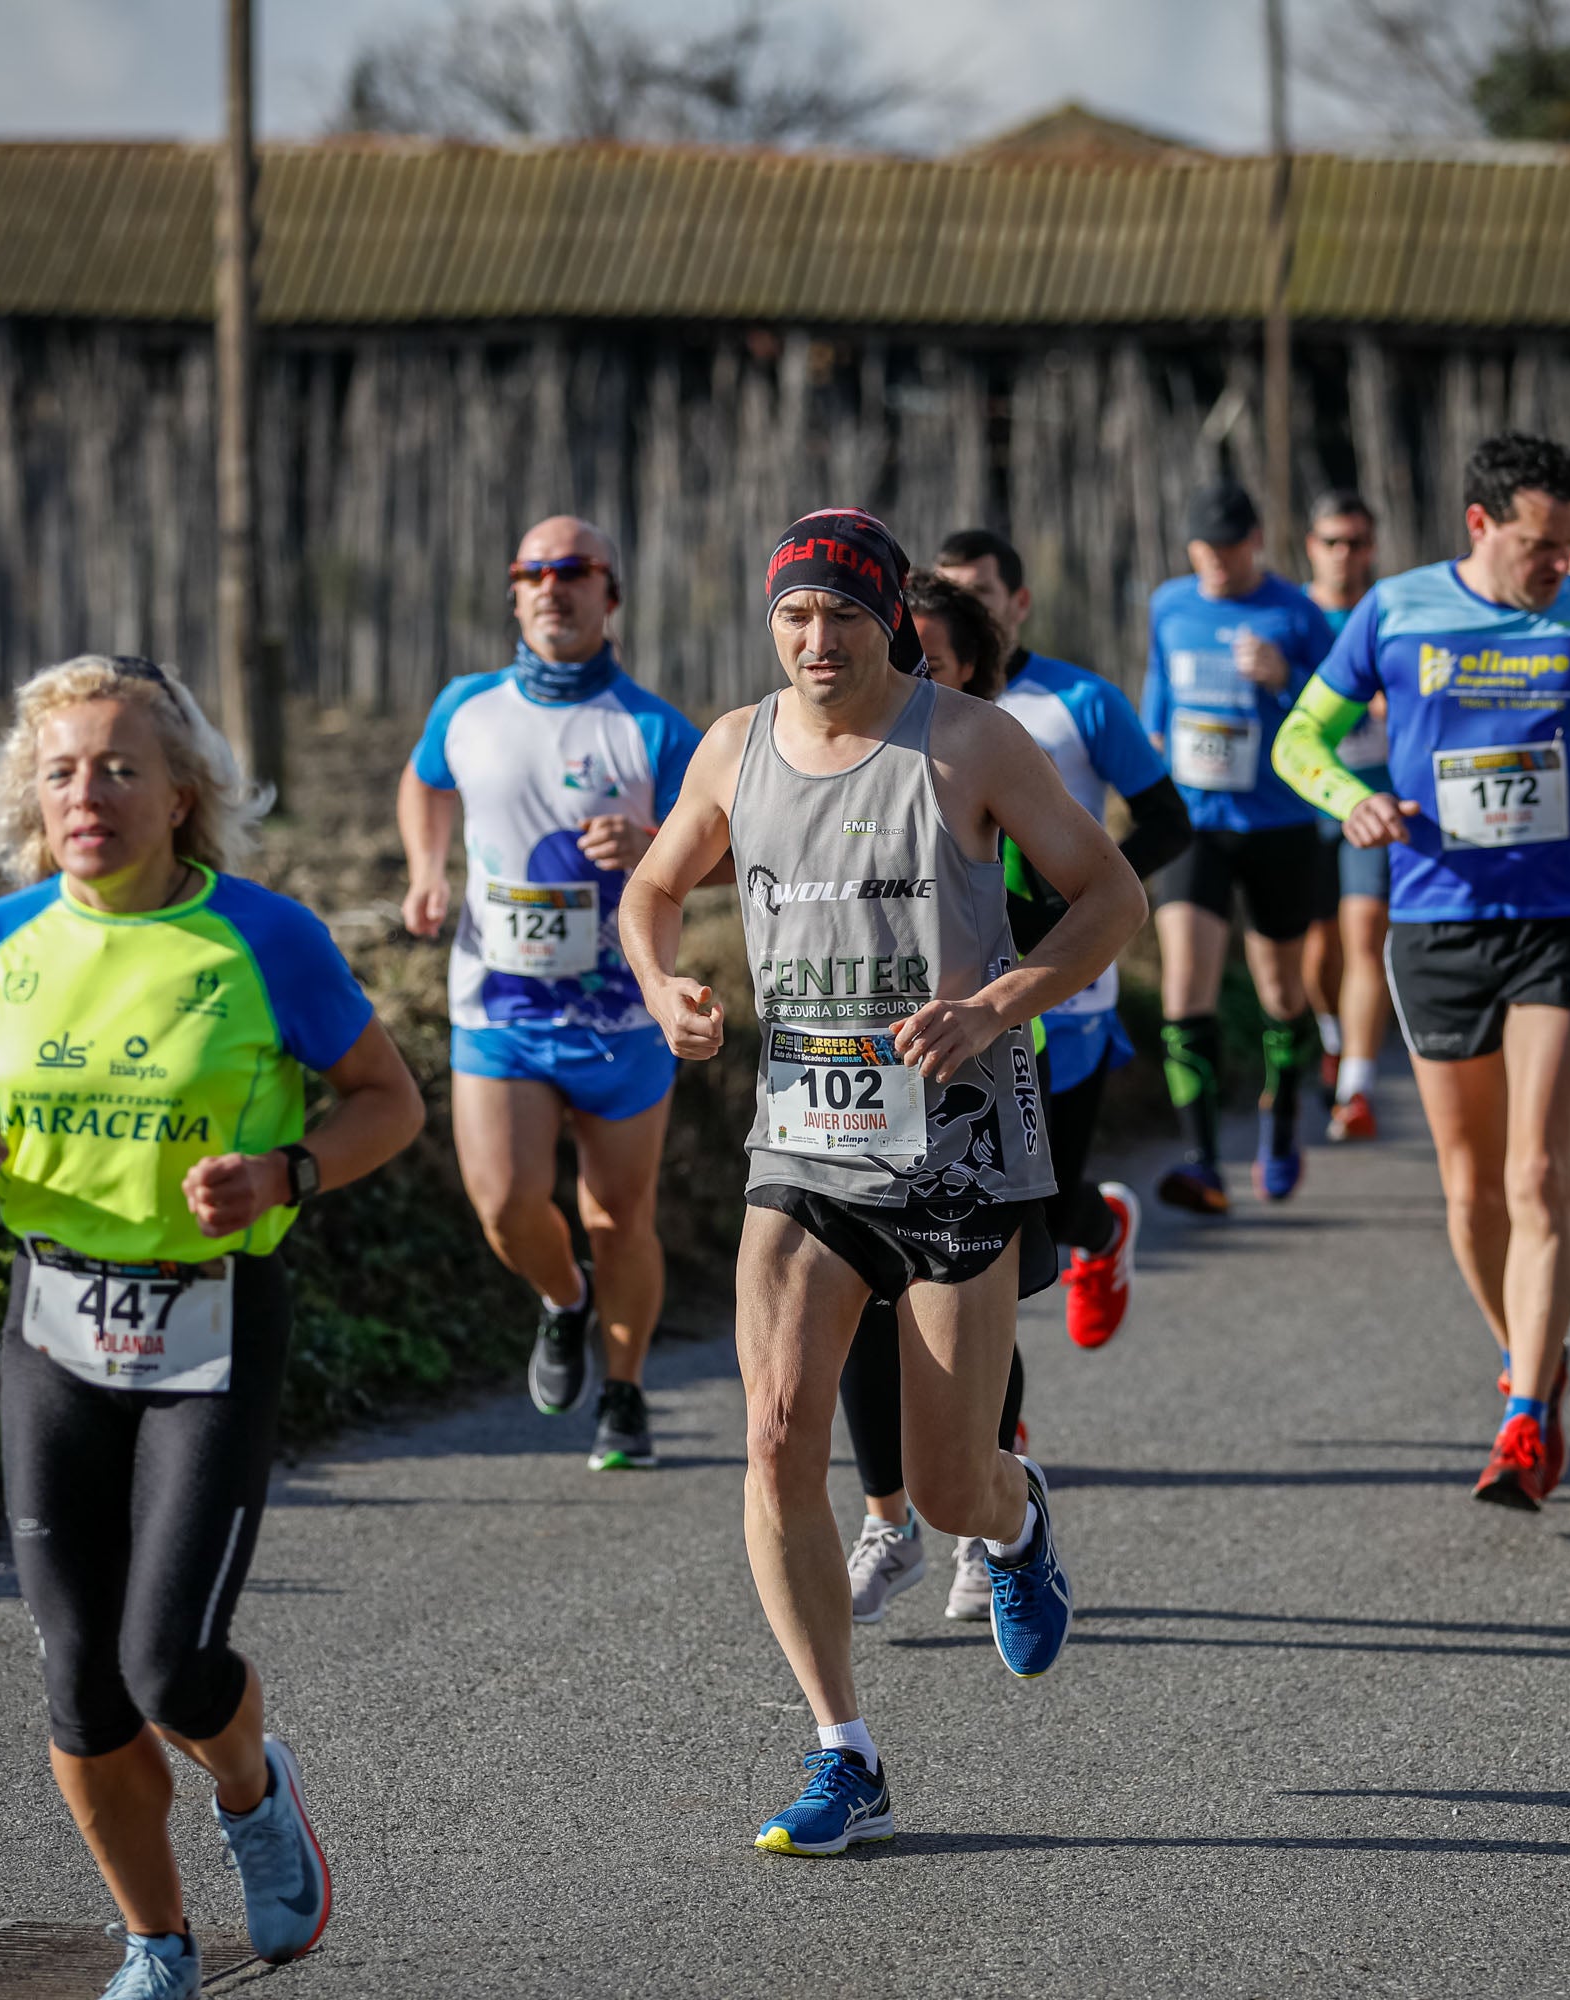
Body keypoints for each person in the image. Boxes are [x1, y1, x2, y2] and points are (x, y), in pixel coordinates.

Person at [0, 655, 425, 2000]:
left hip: (210, 1325)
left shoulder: (264, 937)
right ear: (29, 796)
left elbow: (386, 1101)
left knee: (166, 1662)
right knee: (79, 1683)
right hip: (53, 1325)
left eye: (118, 767)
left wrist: (286, 1175)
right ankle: (157, 1947)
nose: (85, 794)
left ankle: (250, 1787)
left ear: (182, 794)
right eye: (59, 770)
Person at [621, 509, 1145, 1856]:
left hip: (958, 1145)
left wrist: (1000, 1003)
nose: (813, 640)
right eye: (792, 617)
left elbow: (1111, 898)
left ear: (891, 621)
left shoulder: (968, 741)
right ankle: (841, 1749)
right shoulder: (736, 747)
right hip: (801, 1146)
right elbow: (654, 887)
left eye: (840, 617)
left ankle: (1017, 1525)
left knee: (949, 1479)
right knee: (778, 1430)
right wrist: (663, 982)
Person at [1274, 433, 1570, 1509]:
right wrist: (1344, 798)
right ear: (1481, 526)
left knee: (1537, 1172)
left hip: (1565, 916)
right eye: (1542, 545)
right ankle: (1534, 1354)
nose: (1560, 564)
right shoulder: (1396, 610)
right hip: (1437, 920)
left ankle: (1526, 1413)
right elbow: (1300, 736)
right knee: (1468, 1186)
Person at [839, 571, 1185, 1628]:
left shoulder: (996, 758)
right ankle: (889, 1518)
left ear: (970, 669)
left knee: (976, 1307)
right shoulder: (831, 757)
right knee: (863, 1299)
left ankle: (989, 1506)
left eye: (930, 658)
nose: (907, 672)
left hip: (998, 1068)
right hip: (847, 1084)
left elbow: (1105, 887)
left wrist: (1000, 986)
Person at [398, 517, 701, 1469]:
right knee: (504, 1204)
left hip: (622, 1015)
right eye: (532, 572)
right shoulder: (468, 706)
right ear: (515, 594)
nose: (550, 587)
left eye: (573, 571)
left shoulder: (653, 728)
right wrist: (427, 867)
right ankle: (563, 1300)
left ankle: (625, 1393)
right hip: (500, 1007)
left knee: (621, 1218)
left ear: (610, 595)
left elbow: (738, 848)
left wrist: (657, 846)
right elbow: (423, 780)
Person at [931, 526, 1189, 1347]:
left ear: (1019, 603)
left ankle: (1101, 1232)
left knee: (1040, 1199)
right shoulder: (914, 707)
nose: (959, 612)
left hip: (1065, 988)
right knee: (976, 1211)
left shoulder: (1080, 702)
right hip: (957, 994)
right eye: (945, 595)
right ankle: (990, 1422)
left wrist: (1073, 907)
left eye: (978, 594)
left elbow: (1168, 823)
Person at [1140, 478, 1341, 1210]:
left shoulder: (1296, 612)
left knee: (1282, 993)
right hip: (1195, 825)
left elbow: (1335, 712)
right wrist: (1151, 757)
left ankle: (1282, 1121)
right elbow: (1158, 690)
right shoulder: (1170, 603)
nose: (1215, 563)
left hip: (1280, 827)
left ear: (1255, 540)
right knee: (1183, 985)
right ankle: (1201, 1160)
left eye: (1227, 549)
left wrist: (1284, 678)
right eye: (1203, 550)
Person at [1294, 490, 1394, 1139]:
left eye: (1356, 542)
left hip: (1373, 799)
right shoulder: (1292, 616)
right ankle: (1331, 1037)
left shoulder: (1390, 614)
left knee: (1366, 938)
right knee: (1317, 950)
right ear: (1312, 545)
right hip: (1302, 802)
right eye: (1333, 541)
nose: (1345, 554)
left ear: (1371, 547)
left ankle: (1357, 1088)